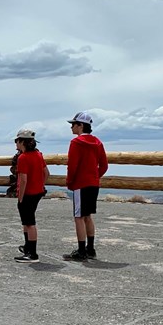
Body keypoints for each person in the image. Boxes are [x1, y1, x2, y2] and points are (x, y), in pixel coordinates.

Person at [63, 111, 108, 261]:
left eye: (73, 124)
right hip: (93, 184)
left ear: (80, 125)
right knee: (88, 215)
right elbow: (104, 165)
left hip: (80, 184)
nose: (71, 127)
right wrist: (95, 176)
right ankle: (90, 248)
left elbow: (72, 165)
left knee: (78, 216)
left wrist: (70, 182)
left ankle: (81, 251)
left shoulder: (76, 143)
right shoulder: (98, 142)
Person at [13, 129, 48, 263]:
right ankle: (28, 247)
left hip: (28, 194)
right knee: (26, 222)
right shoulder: (38, 154)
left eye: (17, 140)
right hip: (37, 192)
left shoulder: (23, 158)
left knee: (30, 223)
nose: (15, 143)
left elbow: (23, 180)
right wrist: (40, 185)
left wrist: (20, 198)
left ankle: (32, 254)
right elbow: (47, 173)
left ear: (22, 142)